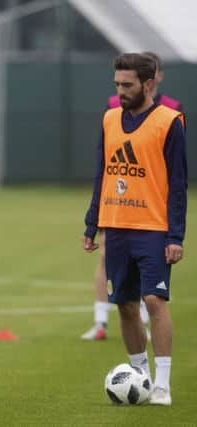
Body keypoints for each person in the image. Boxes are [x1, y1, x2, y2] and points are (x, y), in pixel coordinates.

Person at [82, 53, 187, 406]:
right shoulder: (110, 118)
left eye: (127, 85)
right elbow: (102, 173)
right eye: (117, 85)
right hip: (116, 226)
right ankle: (138, 375)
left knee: (154, 301)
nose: (120, 91)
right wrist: (92, 222)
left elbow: (178, 183)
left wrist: (175, 236)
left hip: (153, 228)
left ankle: (163, 385)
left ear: (149, 82)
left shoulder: (169, 121)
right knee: (125, 305)